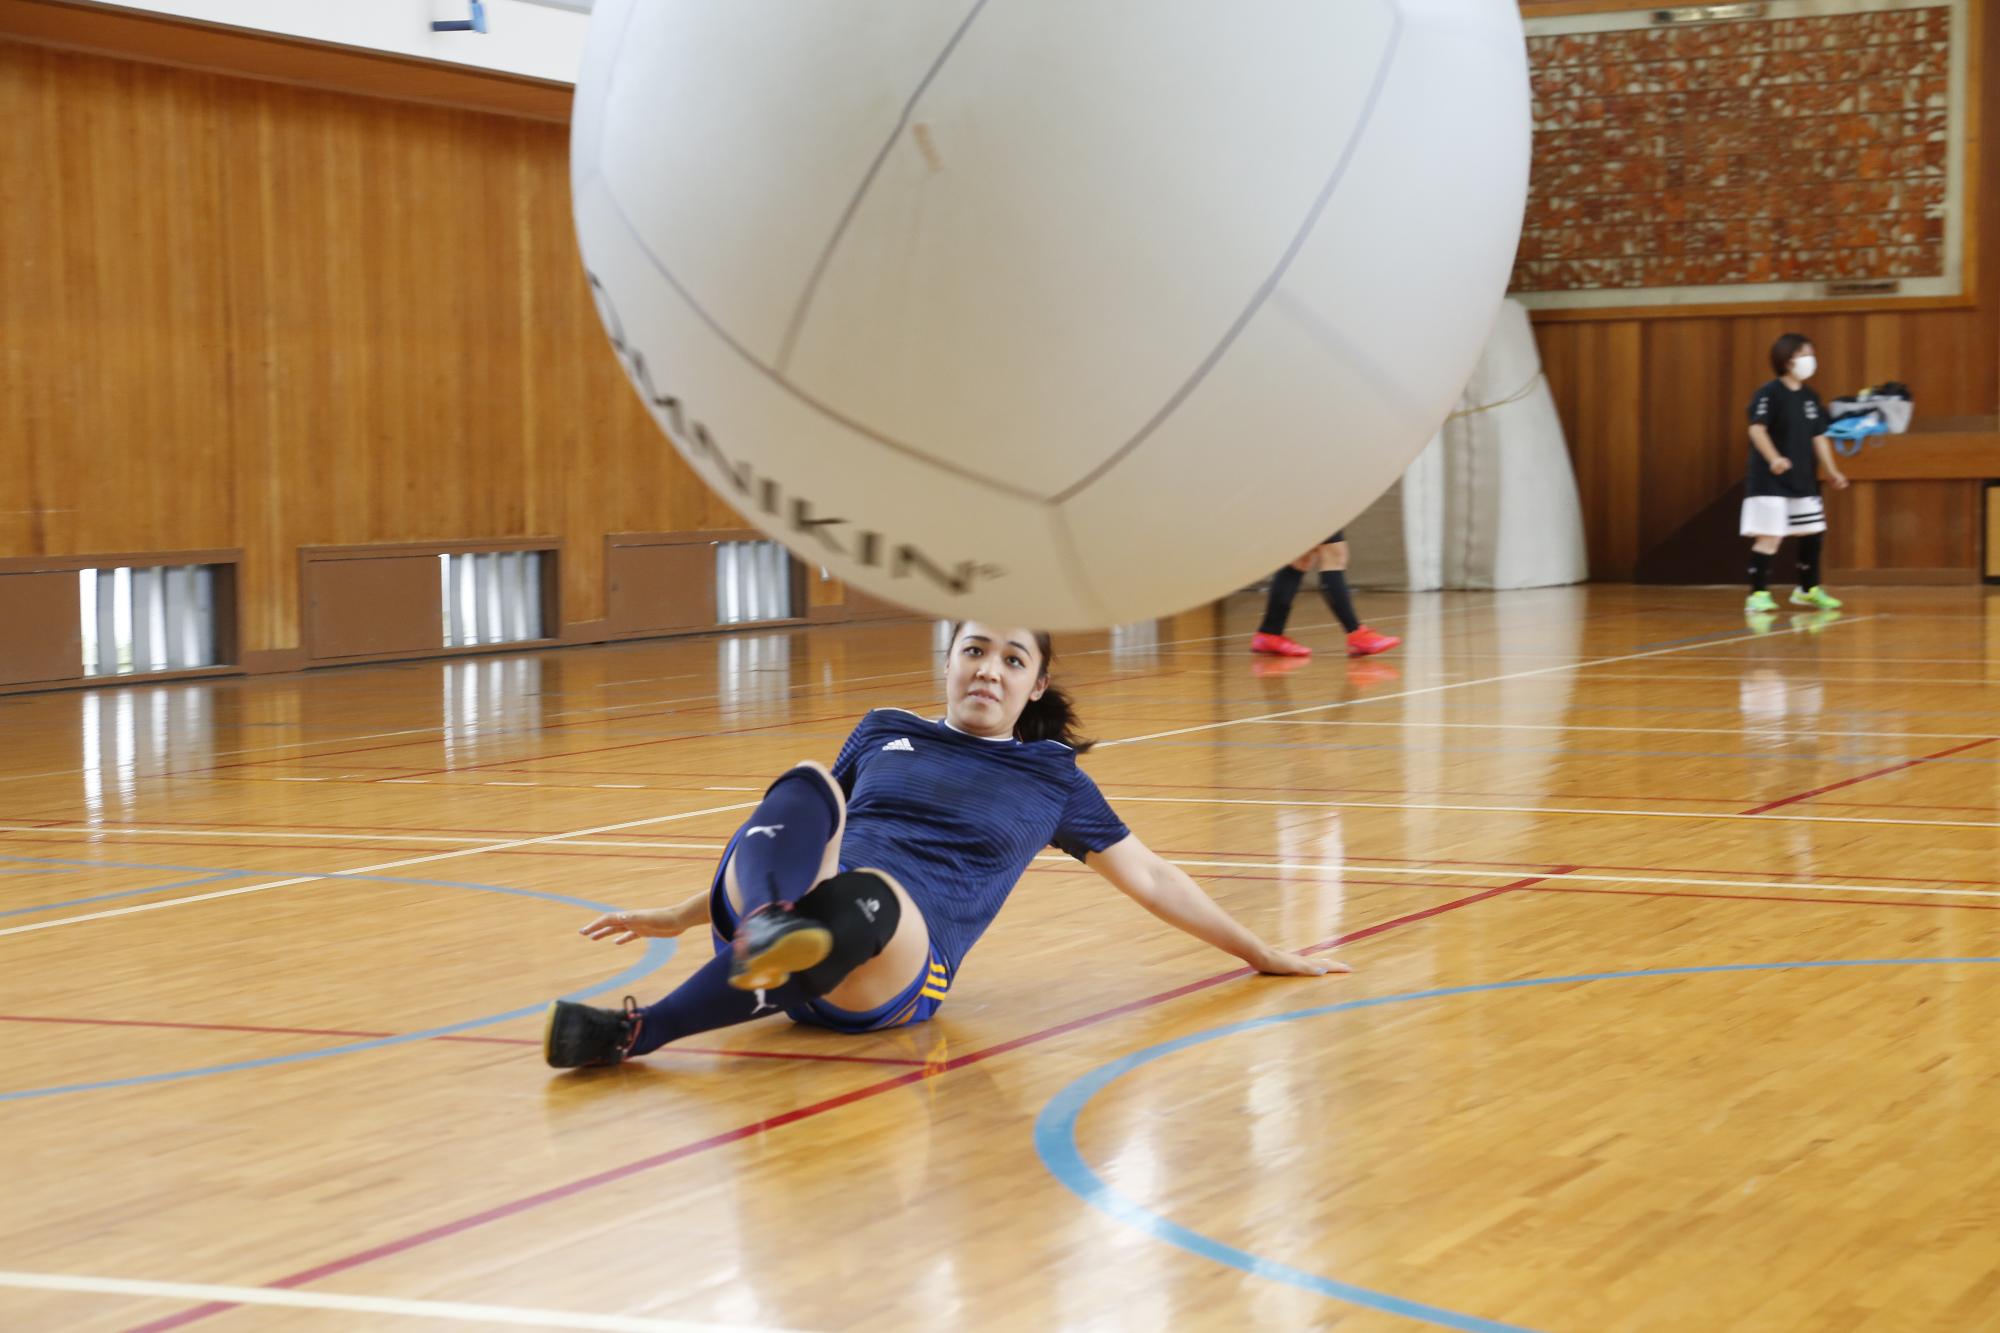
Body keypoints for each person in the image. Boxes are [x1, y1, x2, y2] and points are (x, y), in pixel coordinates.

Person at [544, 621, 1346, 1068]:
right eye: (974, 649)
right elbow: (804, 829)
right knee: (799, 792)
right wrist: (679, 914)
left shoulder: (1051, 777)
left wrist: (1260, 950)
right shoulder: (884, 729)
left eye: (1012, 658)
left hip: (895, 968)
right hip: (811, 906)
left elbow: (1154, 877)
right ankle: (726, 961)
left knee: (865, 897)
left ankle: (689, 992)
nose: (988, 670)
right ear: (949, 659)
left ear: (1034, 686)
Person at [1743, 332, 1848, 618]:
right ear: (1787, 359)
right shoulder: (1769, 393)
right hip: (1769, 481)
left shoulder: (1811, 397)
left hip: (1802, 479)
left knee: (1813, 532)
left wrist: (1831, 470)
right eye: (1805, 354)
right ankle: (1758, 595)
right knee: (1770, 537)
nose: (1810, 360)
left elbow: (1819, 436)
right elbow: (1756, 428)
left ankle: (1807, 589)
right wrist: (1774, 458)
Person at [1248, 531, 1399, 659]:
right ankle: (1356, 633)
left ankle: (1270, 633)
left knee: (1301, 559)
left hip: (1314, 503)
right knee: (1334, 555)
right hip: (1312, 502)